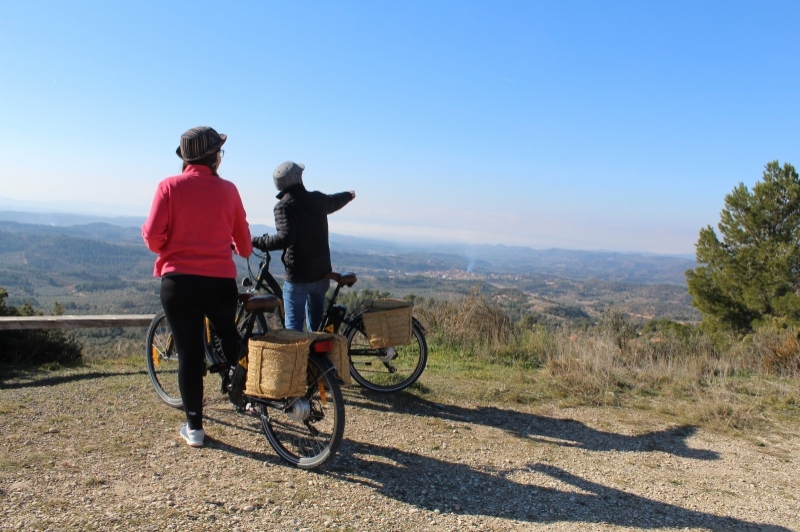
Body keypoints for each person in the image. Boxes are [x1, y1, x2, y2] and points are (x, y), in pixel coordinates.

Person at [142, 126, 253, 448]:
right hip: (220, 282)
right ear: (215, 156)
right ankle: (249, 393)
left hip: (180, 283)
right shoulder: (229, 190)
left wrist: (173, 243)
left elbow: (152, 239)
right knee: (230, 336)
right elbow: (245, 247)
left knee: (190, 354)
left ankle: (195, 429)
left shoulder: (168, 187)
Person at [252, 161, 355, 332]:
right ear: (299, 179)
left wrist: (255, 241)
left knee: (294, 331)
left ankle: (299, 350)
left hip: (298, 277)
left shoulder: (283, 206)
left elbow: (284, 238)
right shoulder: (317, 199)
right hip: (321, 274)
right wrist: (349, 195)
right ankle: (318, 350)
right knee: (317, 329)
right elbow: (334, 201)